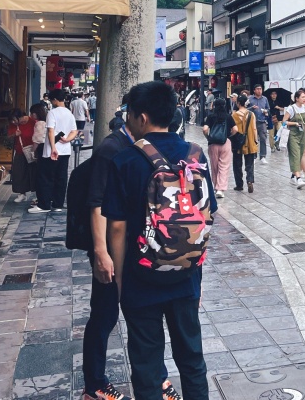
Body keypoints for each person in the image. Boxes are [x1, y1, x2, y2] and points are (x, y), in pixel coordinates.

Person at [103, 81, 216, 400]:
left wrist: (121, 281)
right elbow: (207, 215)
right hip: (186, 276)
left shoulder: (126, 161)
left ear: (141, 117)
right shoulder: (196, 155)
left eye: (128, 114)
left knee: (147, 366)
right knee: (192, 360)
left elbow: (117, 229)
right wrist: (197, 271)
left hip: (142, 278)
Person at [80, 94, 134, 400]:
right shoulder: (111, 149)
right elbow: (97, 203)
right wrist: (101, 252)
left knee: (139, 314)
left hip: (130, 247)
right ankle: (94, 385)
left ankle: (158, 379)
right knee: (103, 315)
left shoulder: (134, 146)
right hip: (109, 251)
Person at [31, 89, 78, 213]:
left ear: (55, 100)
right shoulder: (69, 113)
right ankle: (58, 204)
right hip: (65, 151)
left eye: (52, 100)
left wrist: (53, 148)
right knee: (61, 177)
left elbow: (51, 131)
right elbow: (75, 131)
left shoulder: (52, 113)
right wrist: (67, 139)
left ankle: (44, 205)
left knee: (46, 177)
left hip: (51, 151)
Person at [202, 98, 232, 199]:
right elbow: (236, 129)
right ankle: (220, 189)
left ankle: (215, 187)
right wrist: (229, 136)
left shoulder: (211, 116)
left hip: (213, 143)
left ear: (214, 106)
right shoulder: (228, 117)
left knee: (214, 166)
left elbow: (205, 129)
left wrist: (208, 138)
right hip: (225, 143)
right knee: (224, 166)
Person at [284, 88, 305, 188]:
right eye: (302, 97)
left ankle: (293, 176)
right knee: (295, 155)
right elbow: (284, 122)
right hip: (293, 134)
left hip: (302, 134)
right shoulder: (291, 108)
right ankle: (299, 178)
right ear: (296, 98)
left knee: (300, 155)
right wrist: (294, 123)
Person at [231, 97, 258, 193]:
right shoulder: (251, 114)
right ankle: (250, 180)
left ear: (238, 103)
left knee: (237, 164)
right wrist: (255, 140)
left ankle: (239, 184)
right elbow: (254, 128)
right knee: (250, 163)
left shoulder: (234, 115)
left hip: (238, 141)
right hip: (250, 140)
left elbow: (233, 129)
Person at [247, 85, 271, 164]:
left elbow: (268, 108)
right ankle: (253, 156)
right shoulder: (250, 99)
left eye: (260, 89)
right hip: (252, 122)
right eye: (257, 89)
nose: (259, 91)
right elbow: (244, 108)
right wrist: (251, 108)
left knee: (263, 139)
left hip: (262, 121)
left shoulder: (265, 99)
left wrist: (266, 111)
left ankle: (263, 156)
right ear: (254, 90)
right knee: (253, 139)